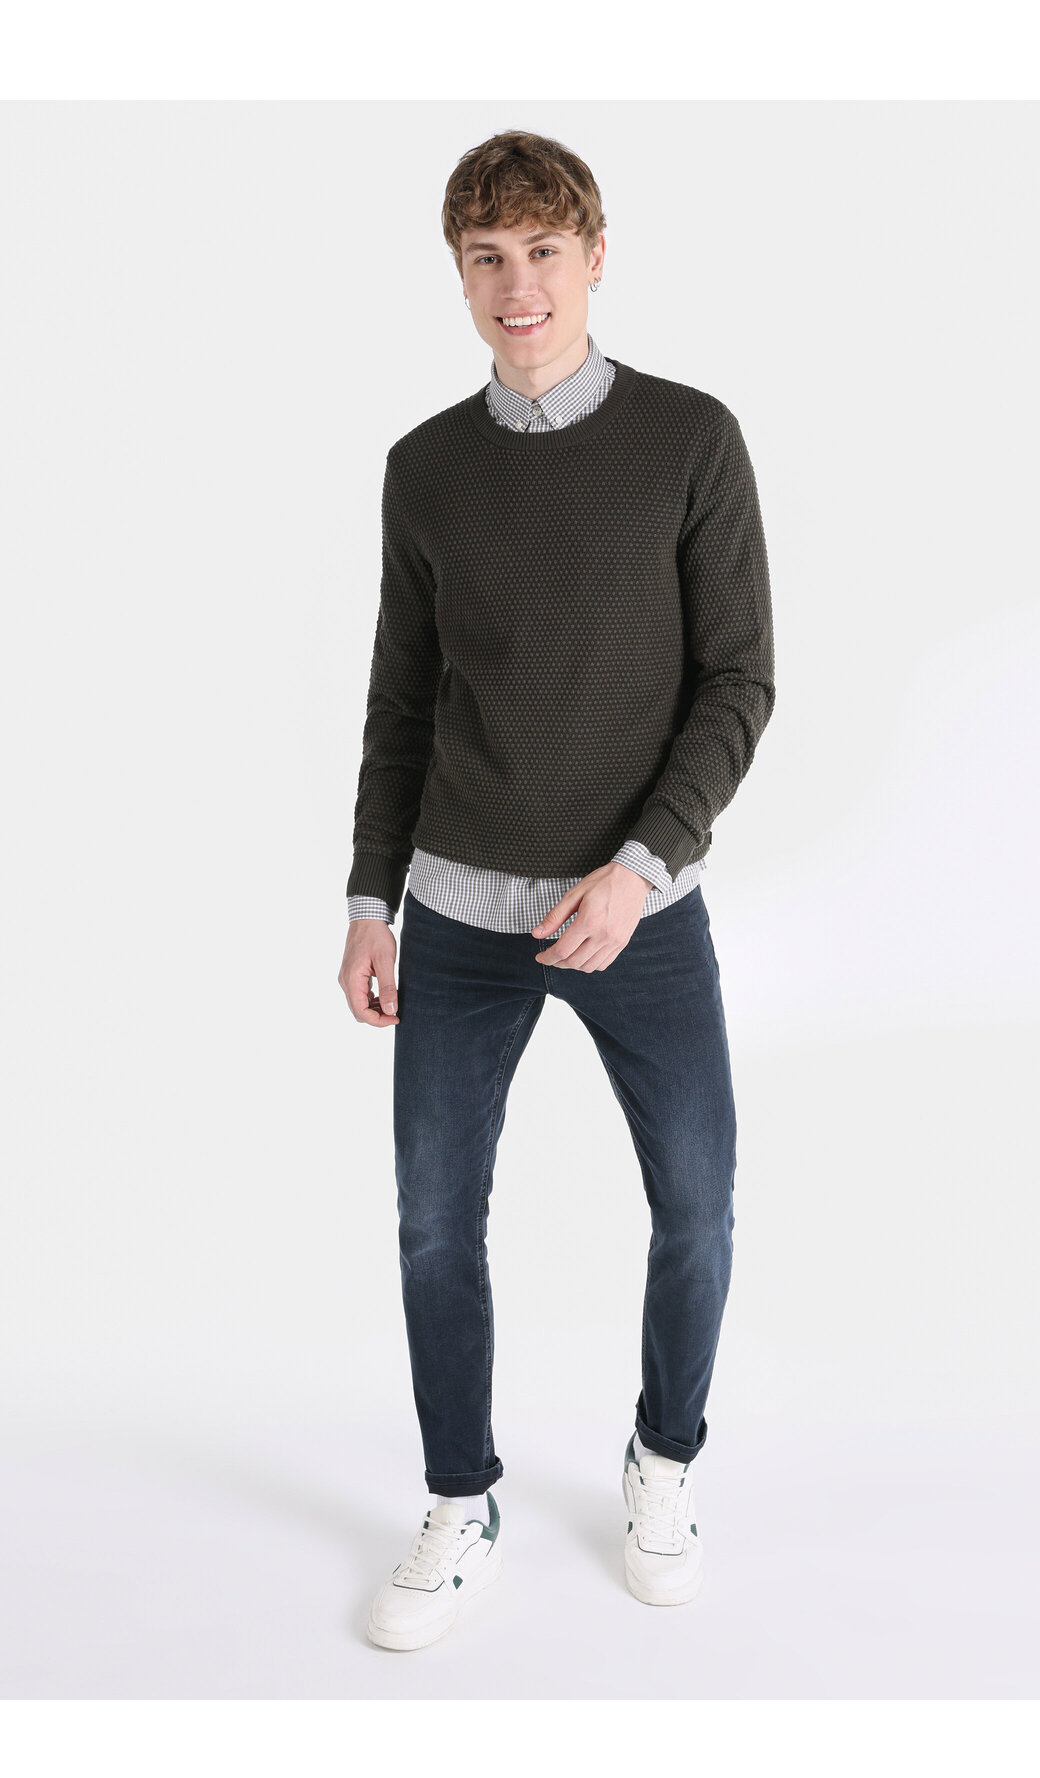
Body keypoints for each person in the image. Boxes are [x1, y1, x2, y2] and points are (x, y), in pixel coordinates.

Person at [338, 128, 776, 1652]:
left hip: (640, 913)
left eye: (541, 252)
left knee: (699, 1204)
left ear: (595, 257)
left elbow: (739, 683)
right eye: (486, 258)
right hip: (458, 920)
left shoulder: (692, 441)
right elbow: (402, 701)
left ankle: (665, 1461)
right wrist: (371, 899)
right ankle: (461, 1500)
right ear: (458, 274)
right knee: (433, 1224)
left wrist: (639, 870)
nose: (515, 285)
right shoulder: (424, 469)